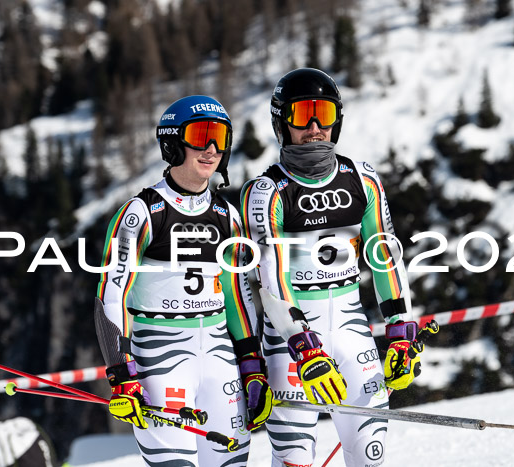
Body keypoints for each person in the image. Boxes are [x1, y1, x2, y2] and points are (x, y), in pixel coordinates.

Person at [241, 68, 436, 466]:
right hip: (290, 347)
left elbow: (385, 257)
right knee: (295, 460)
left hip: (352, 335)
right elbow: (271, 279)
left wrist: (400, 331)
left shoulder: (363, 179)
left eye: (324, 114)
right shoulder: (265, 191)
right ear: (281, 123)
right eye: (302, 115)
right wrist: (304, 347)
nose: (315, 127)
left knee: (370, 456)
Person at [94, 95, 273, 466]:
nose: (212, 149)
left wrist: (252, 365)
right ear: (173, 143)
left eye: (220, 138)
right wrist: (121, 372)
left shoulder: (227, 216)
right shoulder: (141, 213)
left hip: (220, 361)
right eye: (201, 135)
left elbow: (237, 296)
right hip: (160, 360)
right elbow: (111, 297)